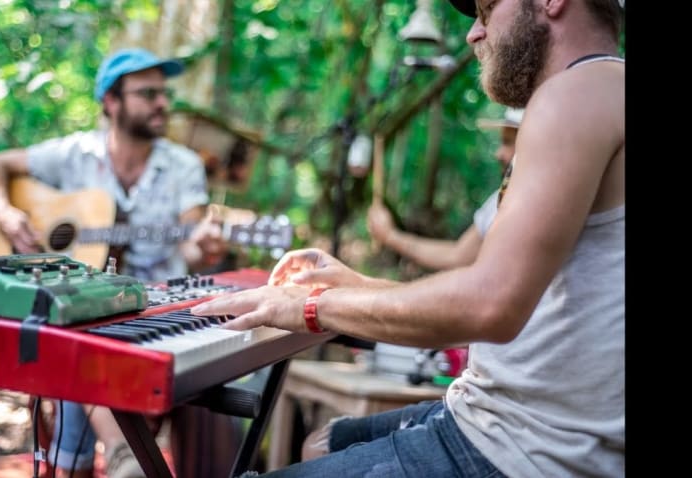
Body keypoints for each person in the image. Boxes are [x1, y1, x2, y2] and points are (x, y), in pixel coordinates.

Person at [192, 0, 624, 476]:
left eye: (486, 8)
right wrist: (356, 285)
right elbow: (499, 296)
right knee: (323, 443)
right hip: (495, 421)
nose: (473, 34)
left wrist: (309, 307)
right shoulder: (598, 92)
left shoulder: (577, 93)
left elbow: (489, 307)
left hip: (518, 451)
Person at [0, 48, 234, 478]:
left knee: (79, 340)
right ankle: (117, 455)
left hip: (155, 306)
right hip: (82, 307)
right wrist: (3, 212)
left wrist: (204, 247)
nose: (162, 103)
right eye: (147, 93)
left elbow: (191, 244)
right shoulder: (75, 153)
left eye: (164, 93)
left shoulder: (183, 165)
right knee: (77, 327)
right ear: (111, 101)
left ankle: (109, 456)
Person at [366, 107, 522, 272]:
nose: (498, 153)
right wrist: (390, 236)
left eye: (508, 142)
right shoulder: (498, 200)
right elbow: (457, 256)